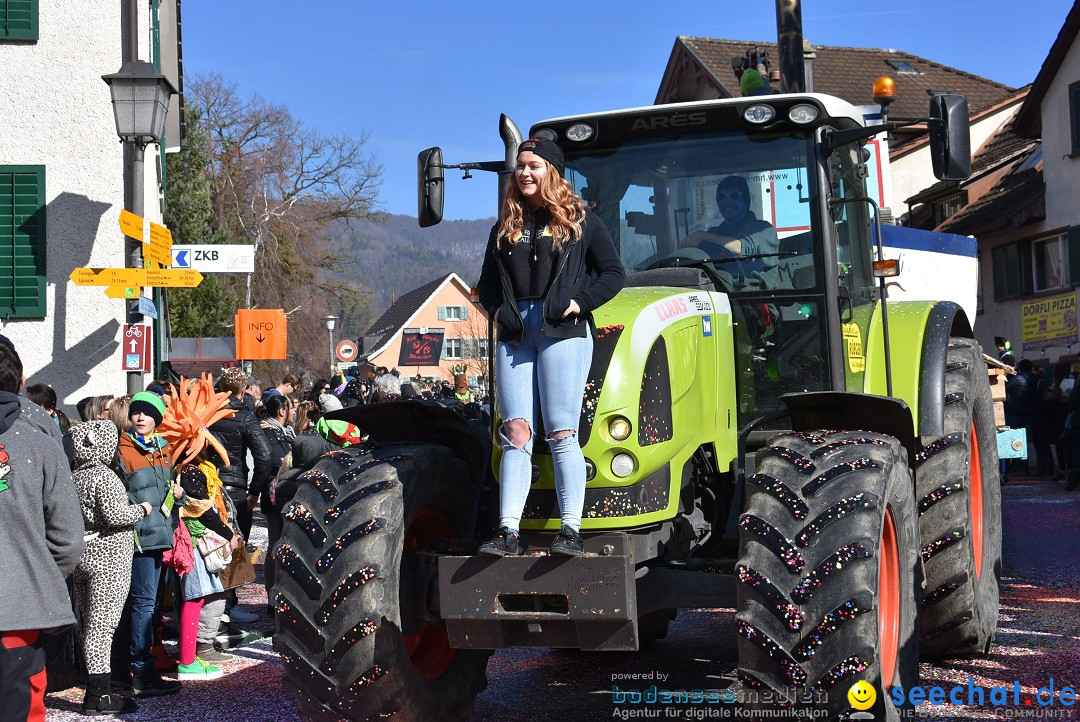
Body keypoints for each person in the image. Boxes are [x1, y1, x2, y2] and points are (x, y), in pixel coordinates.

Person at [476, 137, 625, 556]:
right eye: (521, 165)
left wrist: (579, 302)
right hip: (516, 334)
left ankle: (570, 531)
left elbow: (613, 273)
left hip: (562, 330)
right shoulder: (503, 229)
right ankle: (508, 532)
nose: (525, 172)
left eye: (535, 166)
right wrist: (498, 313)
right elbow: (487, 284)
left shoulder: (581, 222)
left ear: (552, 172)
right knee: (515, 432)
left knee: (562, 432)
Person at [0, 342, 85, 720]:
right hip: (17, 612)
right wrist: (35, 574)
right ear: (21, 383)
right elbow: (67, 539)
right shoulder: (41, 444)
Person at [70, 420, 149, 715]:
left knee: (90, 625)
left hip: (82, 555)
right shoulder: (104, 476)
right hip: (109, 558)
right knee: (102, 630)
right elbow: (115, 515)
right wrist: (142, 509)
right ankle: (100, 695)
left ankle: (96, 691)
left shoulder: (74, 476)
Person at [117, 391, 183, 697]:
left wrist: (176, 494)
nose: (141, 418)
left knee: (150, 603)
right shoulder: (123, 447)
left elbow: (161, 493)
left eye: (147, 414)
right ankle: (141, 671)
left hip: (159, 536)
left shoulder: (164, 449)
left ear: (157, 419)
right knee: (142, 603)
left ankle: (141, 667)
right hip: (138, 538)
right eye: (136, 413)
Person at [206, 367, 271, 627]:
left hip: (207, 485)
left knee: (208, 547)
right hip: (234, 488)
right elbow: (264, 456)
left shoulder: (207, 413)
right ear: (243, 389)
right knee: (234, 546)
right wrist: (255, 490)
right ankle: (230, 606)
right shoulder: (244, 417)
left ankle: (211, 607)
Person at [680, 175, 779, 283]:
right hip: (717, 294)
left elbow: (742, 250)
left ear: (746, 200)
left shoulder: (764, 230)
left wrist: (704, 236)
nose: (727, 201)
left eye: (734, 195)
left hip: (756, 296)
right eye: (721, 197)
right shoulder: (714, 233)